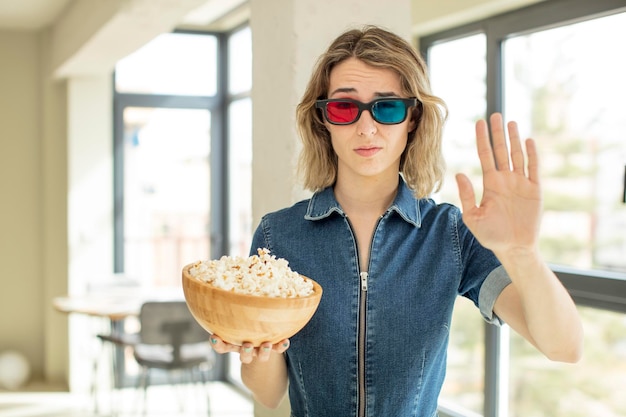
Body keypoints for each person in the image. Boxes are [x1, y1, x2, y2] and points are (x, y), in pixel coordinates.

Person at [210, 25, 583, 416]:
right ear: (324, 120)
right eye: (344, 107)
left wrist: (522, 252)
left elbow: (564, 347)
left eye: (387, 107)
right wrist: (256, 352)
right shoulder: (278, 236)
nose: (366, 127)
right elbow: (268, 395)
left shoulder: (450, 234)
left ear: (412, 119)